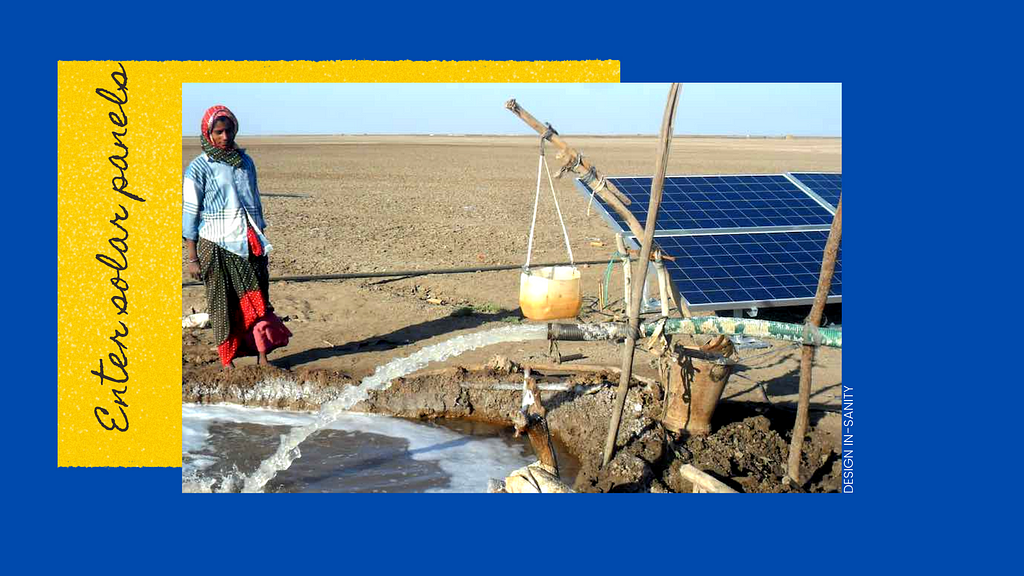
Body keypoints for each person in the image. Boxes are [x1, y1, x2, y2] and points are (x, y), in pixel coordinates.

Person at [183, 105, 291, 368]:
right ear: (208, 133)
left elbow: (254, 202)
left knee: (258, 301)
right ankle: (227, 361)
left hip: (248, 242)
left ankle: (262, 357)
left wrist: (261, 237)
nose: (224, 136)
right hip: (215, 243)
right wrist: (192, 257)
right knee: (221, 303)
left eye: (228, 130)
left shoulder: (245, 162)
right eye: (218, 132)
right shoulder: (199, 168)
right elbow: (190, 213)